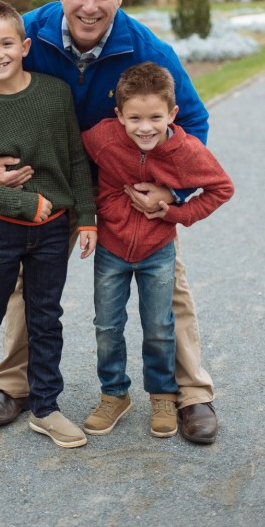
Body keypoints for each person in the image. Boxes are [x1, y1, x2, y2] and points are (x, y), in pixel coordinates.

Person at [0, 0, 221, 445]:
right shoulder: (27, 35)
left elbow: (193, 121)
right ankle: (13, 386)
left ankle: (192, 392)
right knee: (22, 281)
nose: (89, 6)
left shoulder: (146, 49)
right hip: (47, 183)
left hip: (130, 188)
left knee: (167, 282)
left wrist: (171, 193)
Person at [0, 0, 97, 449]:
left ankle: (46, 407)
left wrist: (86, 218)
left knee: (45, 318)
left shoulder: (55, 95)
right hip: (0, 231)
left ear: (25, 46)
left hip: (53, 230)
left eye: (6, 43)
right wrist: (20, 204)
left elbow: (75, 159)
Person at [80, 63, 233, 438]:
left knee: (160, 328)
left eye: (155, 118)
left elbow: (221, 188)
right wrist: (97, 210)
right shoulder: (102, 138)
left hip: (158, 249)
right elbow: (73, 156)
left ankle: (163, 396)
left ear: (172, 114)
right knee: (107, 326)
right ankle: (114, 394)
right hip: (112, 248)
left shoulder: (187, 151)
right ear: (119, 115)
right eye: (134, 118)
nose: (145, 128)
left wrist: (177, 213)